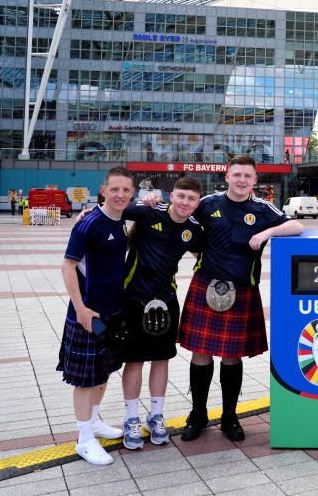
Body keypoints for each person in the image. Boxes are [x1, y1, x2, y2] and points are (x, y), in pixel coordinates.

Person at [176, 155, 303, 442]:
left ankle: (229, 417)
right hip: (206, 286)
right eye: (237, 175)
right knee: (201, 353)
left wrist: (268, 231)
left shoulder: (261, 208)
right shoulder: (209, 203)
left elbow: (296, 227)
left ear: (255, 180)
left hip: (242, 290)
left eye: (247, 176)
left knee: (231, 357)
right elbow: (179, 216)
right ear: (227, 177)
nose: (242, 180)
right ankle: (197, 414)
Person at [118, 177, 204, 450]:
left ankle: (155, 416)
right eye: (181, 196)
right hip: (133, 299)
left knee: (161, 359)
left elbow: (208, 253)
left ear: (197, 203)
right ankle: (131, 419)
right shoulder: (147, 212)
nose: (185, 203)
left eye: (191, 199)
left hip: (166, 301)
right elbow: (113, 208)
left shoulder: (193, 230)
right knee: (134, 361)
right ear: (172, 195)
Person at [57, 166, 135, 465]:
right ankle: (84, 438)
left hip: (113, 312)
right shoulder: (88, 224)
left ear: (132, 193)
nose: (120, 195)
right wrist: (80, 309)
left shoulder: (121, 222)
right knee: (86, 380)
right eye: (114, 189)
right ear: (103, 190)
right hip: (88, 313)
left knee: (103, 373)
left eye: (126, 190)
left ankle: (95, 422)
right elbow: (67, 267)